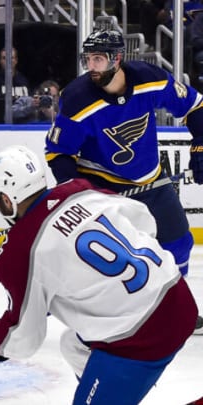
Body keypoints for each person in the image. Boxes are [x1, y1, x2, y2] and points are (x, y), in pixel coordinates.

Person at [0, 144, 198, 404]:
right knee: (74, 346)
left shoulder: (19, 251)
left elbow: (21, 338)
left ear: (8, 199)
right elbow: (143, 221)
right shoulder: (79, 189)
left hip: (141, 336)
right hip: (178, 296)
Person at [44, 29, 203, 334]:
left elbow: (196, 106)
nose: (91, 66)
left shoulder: (149, 79)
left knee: (179, 243)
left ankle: (174, 309)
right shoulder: (77, 99)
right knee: (107, 258)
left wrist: (201, 142)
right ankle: (85, 310)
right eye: (87, 59)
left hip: (151, 181)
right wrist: (80, 192)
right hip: (104, 188)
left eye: (99, 59)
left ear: (117, 59)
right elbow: (58, 153)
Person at [0, 47, 36, 123]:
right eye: (4, 58)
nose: (8, 61)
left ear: (16, 60)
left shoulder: (23, 81)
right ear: (0, 61)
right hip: (0, 128)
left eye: (11, 58)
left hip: (23, 128)